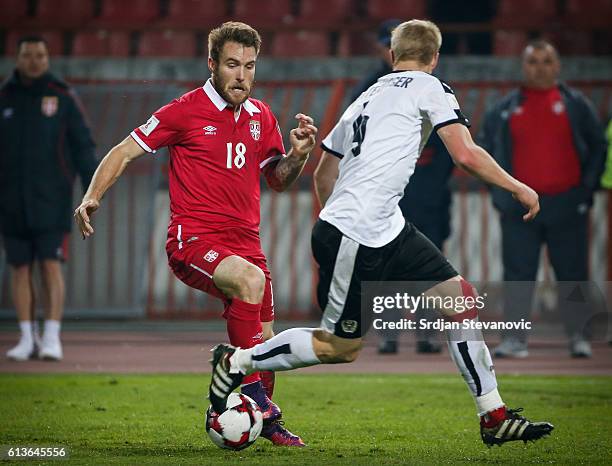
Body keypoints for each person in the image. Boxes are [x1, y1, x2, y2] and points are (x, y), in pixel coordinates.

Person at [208, 20, 553, 447]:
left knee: (459, 298)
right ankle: (237, 360)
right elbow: (464, 153)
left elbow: (324, 172)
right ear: (434, 58)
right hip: (357, 231)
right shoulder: (431, 86)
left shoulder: (364, 99)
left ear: (393, 56)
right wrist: (518, 186)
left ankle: (494, 416)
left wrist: (338, 216)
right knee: (338, 346)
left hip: (381, 226)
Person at [74, 22, 316, 447]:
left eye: (249, 66)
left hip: (246, 245)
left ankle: (263, 420)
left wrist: (297, 156)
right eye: (231, 65)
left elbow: (277, 180)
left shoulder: (262, 116)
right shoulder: (182, 111)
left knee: (268, 340)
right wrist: (92, 196)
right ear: (211, 64)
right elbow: (123, 151)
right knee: (250, 283)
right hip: (193, 240)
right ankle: (256, 399)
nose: (241, 75)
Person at [479, 40, 607, 359]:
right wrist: (501, 196)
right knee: (518, 275)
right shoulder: (503, 109)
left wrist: (584, 191)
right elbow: (485, 151)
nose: (540, 67)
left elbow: (598, 148)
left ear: (557, 66)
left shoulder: (577, 105)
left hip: (567, 203)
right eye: (533, 62)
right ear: (523, 67)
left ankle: (579, 335)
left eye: (546, 61)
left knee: (572, 272)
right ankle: (515, 339)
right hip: (519, 207)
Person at [351, 19, 454, 355]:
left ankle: (426, 331)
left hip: (426, 191)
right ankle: (389, 331)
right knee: (385, 264)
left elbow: (449, 149)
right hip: (387, 193)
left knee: (429, 264)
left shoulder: (432, 88)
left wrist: (433, 186)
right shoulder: (371, 88)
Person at [1, 36, 97, 362]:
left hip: (52, 200)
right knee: (19, 269)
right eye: (28, 55)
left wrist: (91, 190)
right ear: (18, 58)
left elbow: (83, 146)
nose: (34, 61)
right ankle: (27, 338)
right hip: (11, 201)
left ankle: (52, 337)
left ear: (47, 58)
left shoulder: (62, 97)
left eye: (40, 55)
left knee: (50, 265)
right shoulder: (4, 97)